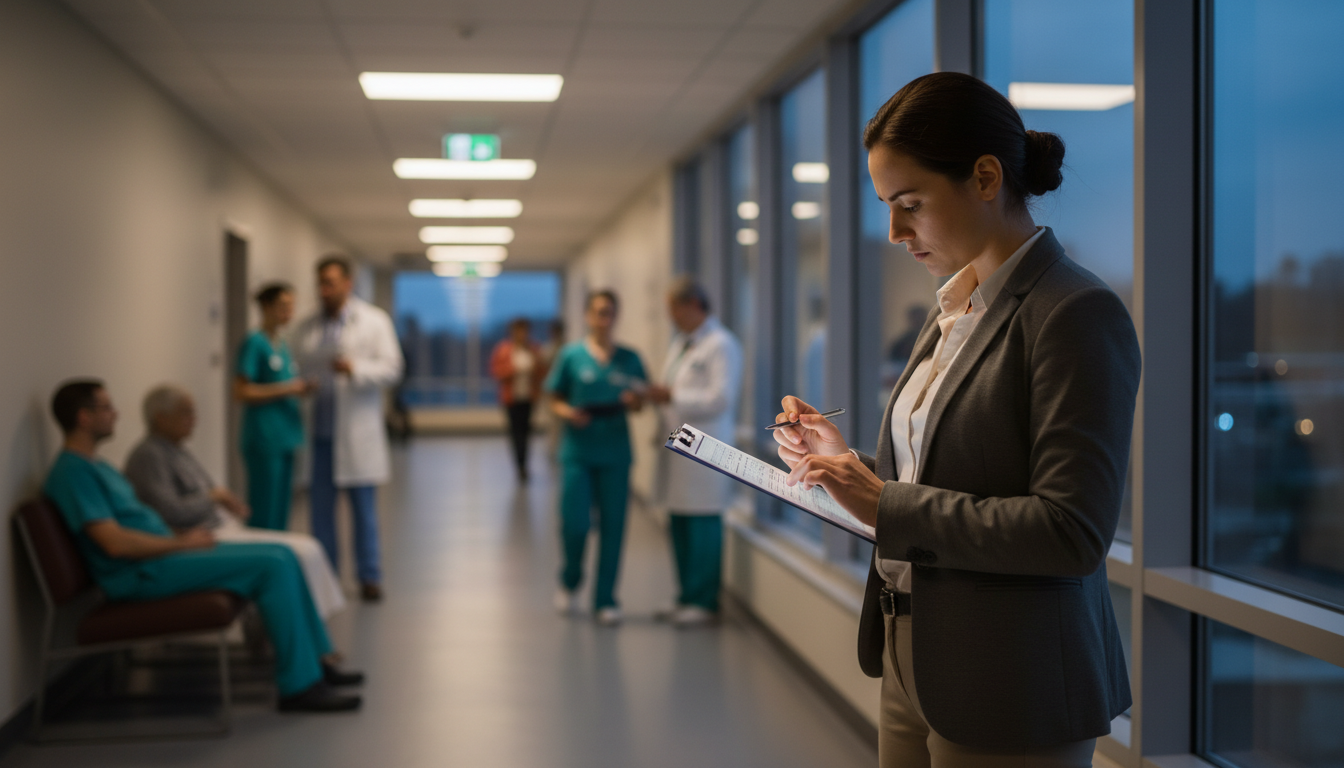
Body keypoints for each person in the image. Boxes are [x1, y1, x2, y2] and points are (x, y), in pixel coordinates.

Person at [772, 72, 1139, 766]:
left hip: (1010, 678)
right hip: (913, 655)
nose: (893, 231)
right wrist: (849, 467)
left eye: (910, 203)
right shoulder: (955, 310)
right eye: (886, 205)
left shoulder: (1073, 313)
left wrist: (886, 502)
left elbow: (1071, 531)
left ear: (985, 177)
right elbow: (945, 477)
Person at [43, 380, 364, 712]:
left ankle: (316, 665)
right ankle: (298, 687)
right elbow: (114, 543)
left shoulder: (98, 466)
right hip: (142, 572)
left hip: (162, 556)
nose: (116, 414)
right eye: (106, 408)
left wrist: (178, 539)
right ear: (83, 417)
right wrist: (178, 544)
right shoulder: (73, 473)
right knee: (273, 564)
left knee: (284, 555)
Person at [125, 385, 346, 619]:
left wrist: (223, 499)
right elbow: (171, 511)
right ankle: (309, 631)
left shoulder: (176, 450)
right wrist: (212, 498)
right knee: (298, 552)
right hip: (202, 536)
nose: (194, 419)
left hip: (219, 528)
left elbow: (207, 492)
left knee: (308, 547)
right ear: (161, 417)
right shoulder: (149, 456)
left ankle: (311, 630)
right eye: (186, 412)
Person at [293, 255, 404, 603]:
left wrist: (353, 368)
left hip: (357, 434)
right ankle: (327, 576)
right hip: (320, 432)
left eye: (330, 282)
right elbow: (297, 362)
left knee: (364, 511)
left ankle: (369, 575)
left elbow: (392, 369)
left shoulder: (373, 321)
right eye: (320, 283)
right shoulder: (308, 327)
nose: (324, 290)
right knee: (320, 513)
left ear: (348, 283)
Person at [544, 290, 648, 625]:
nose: (605, 319)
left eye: (610, 312)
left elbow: (641, 401)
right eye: (599, 312)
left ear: (616, 317)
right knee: (574, 524)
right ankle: (570, 578)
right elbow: (553, 397)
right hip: (578, 451)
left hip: (616, 452)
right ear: (587, 316)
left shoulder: (630, 358)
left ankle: (605, 599)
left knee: (614, 528)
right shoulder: (571, 355)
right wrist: (568, 413)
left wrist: (634, 401)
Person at [647, 278, 743, 626]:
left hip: (707, 451)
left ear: (692, 306)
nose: (671, 317)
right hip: (680, 448)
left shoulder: (721, 344)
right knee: (680, 522)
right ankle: (685, 596)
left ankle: (704, 601)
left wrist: (671, 398)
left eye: (674, 309)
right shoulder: (684, 343)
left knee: (702, 522)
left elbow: (721, 399)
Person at [234, 282, 309, 532]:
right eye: (283, 306)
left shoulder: (282, 343)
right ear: (266, 307)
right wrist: (287, 389)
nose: (289, 312)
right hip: (264, 437)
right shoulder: (255, 342)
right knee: (264, 508)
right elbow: (241, 390)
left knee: (282, 507)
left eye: (291, 307)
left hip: (285, 435)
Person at [489, 318, 547, 482]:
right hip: (511, 398)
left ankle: (525, 463)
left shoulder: (534, 349)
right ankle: (519, 464)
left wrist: (534, 371)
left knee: (526, 432)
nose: (522, 334)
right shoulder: (504, 350)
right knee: (516, 433)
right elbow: (497, 371)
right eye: (518, 330)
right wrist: (514, 370)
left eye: (525, 330)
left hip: (529, 397)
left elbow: (542, 372)